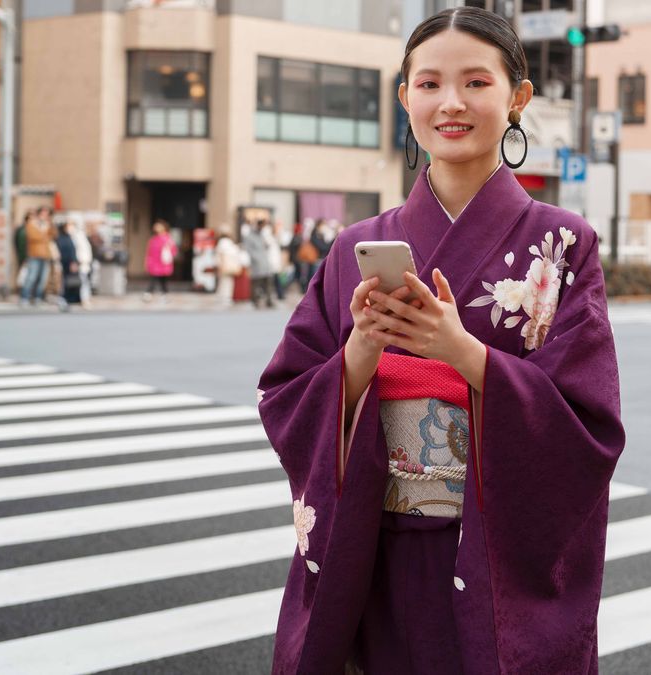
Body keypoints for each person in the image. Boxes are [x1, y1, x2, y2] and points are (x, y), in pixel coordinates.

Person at [256, 8, 624, 672]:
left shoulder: (564, 244)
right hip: (374, 551)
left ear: (518, 97)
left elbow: (588, 420)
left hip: (492, 555)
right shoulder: (352, 248)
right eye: (429, 84)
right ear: (405, 98)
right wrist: (361, 351)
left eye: (476, 83)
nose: (450, 103)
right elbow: (285, 394)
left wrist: (464, 353)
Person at [19, 211, 52, 306]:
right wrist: (44, 233)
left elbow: (53, 235)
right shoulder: (31, 224)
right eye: (43, 214)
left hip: (45, 255)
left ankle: (38, 297)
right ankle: (24, 297)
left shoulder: (47, 225)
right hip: (34, 255)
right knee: (31, 277)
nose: (44, 217)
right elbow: (34, 237)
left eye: (46, 215)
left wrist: (47, 227)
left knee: (42, 279)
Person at [143, 219, 177, 303]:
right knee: (155, 279)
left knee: (162, 280)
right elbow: (149, 252)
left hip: (164, 264)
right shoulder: (153, 239)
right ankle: (151, 294)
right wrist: (147, 262)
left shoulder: (168, 239)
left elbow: (173, 251)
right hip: (154, 263)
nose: (156, 227)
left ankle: (157, 295)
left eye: (158, 226)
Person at [244, 219, 275, 309]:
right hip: (257, 264)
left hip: (265, 263)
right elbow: (249, 250)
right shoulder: (249, 236)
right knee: (256, 283)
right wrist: (256, 259)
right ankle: (255, 301)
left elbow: (265, 247)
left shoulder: (262, 235)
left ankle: (269, 301)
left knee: (268, 282)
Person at [214, 226, 242, 307]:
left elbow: (219, 255)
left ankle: (223, 297)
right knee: (227, 282)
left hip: (225, 265)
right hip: (230, 265)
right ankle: (226, 297)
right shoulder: (230, 243)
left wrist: (219, 264)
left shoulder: (222, 242)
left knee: (223, 282)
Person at [55, 221, 81, 309]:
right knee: (66, 282)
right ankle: (65, 298)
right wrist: (73, 262)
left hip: (69, 262)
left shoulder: (68, 237)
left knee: (69, 282)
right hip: (67, 263)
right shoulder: (62, 238)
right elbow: (68, 251)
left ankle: (69, 299)